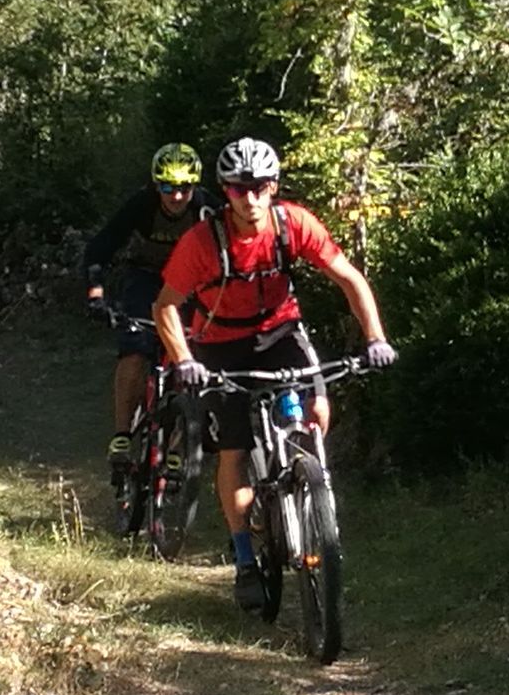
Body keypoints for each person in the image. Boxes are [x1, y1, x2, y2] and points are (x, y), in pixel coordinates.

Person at [151, 137, 397, 612]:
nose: (251, 198)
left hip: (280, 331)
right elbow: (164, 306)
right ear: (225, 191)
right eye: (240, 189)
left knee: (318, 410)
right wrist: (184, 360)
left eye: (261, 187)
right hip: (220, 343)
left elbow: (348, 277)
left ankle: (308, 487)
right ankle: (245, 555)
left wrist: (375, 338)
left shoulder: (293, 224)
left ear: (274, 186)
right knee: (235, 452)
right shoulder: (202, 243)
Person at [82, 143, 222, 471]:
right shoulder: (142, 205)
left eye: (184, 188)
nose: (175, 197)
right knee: (134, 348)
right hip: (146, 280)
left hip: (191, 288)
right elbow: (100, 247)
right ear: (155, 185)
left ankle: (177, 439)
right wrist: (95, 292)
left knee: (193, 357)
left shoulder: (208, 210)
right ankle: (121, 434)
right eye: (167, 188)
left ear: (195, 186)